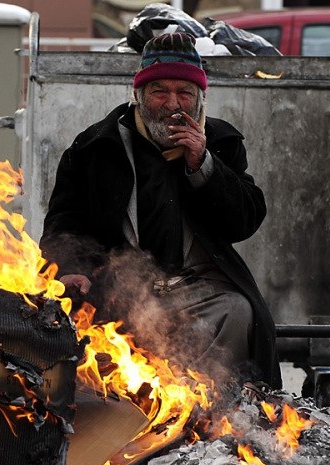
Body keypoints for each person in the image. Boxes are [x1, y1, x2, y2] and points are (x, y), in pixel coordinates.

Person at [40, 32, 281, 390]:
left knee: (237, 310)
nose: (173, 104)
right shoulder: (95, 147)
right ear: (138, 96)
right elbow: (63, 222)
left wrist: (204, 165)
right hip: (120, 291)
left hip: (197, 290)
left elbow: (244, 221)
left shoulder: (221, 142)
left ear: (201, 99)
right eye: (159, 92)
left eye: (184, 93)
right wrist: (71, 269)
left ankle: (211, 411)